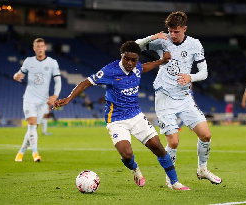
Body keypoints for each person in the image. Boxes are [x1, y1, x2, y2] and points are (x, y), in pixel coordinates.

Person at [53, 41, 189, 190]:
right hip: (116, 120)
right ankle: (134, 168)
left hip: (136, 115)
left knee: (158, 148)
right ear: (121, 56)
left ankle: (175, 182)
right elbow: (86, 83)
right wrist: (68, 98)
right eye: (126, 59)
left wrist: (161, 61)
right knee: (127, 154)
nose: (130, 63)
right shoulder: (109, 71)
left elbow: (143, 68)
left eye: (133, 60)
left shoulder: (137, 66)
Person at [135, 11, 222, 187]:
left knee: (206, 135)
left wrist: (191, 77)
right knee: (173, 141)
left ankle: (202, 169)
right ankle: (171, 178)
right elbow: (133, 47)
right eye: (170, 31)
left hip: (184, 96)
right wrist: (153, 37)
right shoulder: (162, 40)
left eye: (176, 31)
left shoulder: (195, 44)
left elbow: (204, 73)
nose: (172, 35)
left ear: (184, 29)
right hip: (164, 96)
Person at [13, 38, 62, 162]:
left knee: (33, 128)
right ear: (34, 48)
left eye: (42, 46)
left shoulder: (52, 62)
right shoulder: (28, 61)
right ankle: (35, 153)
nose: (40, 48)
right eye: (37, 46)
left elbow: (58, 81)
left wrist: (55, 95)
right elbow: (19, 73)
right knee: (31, 124)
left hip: (43, 101)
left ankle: (21, 152)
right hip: (29, 98)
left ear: (45, 47)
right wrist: (15, 76)